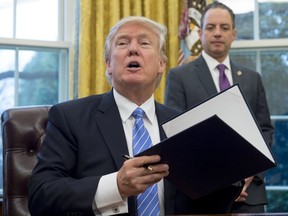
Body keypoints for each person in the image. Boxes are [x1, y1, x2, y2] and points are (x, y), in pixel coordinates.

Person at [28, 16, 243, 216]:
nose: (133, 49)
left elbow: (198, 204)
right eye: (122, 43)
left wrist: (228, 175)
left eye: (144, 43)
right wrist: (116, 186)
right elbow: (41, 194)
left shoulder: (182, 125)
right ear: (109, 64)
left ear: (161, 64)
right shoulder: (70, 117)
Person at [165, 1, 274, 214]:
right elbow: (175, 135)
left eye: (224, 28)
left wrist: (248, 176)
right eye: (210, 27)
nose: (217, 33)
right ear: (200, 32)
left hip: (249, 196)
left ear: (233, 34)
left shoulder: (253, 79)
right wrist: (218, 183)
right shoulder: (179, 76)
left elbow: (265, 131)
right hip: (200, 196)